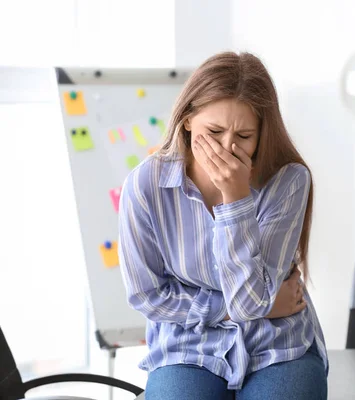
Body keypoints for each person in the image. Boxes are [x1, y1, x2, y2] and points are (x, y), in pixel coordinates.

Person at [118, 51, 328, 400]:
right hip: (188, 346)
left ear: (262, 135)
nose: (228, 148)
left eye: (244, 136)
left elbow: (250, 304)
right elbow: (148, 296)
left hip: (276, 344)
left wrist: (235, 198)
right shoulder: (145, 185)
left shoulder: (289, 181)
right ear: (187, 121)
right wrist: (232, 310)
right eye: (213, 131)